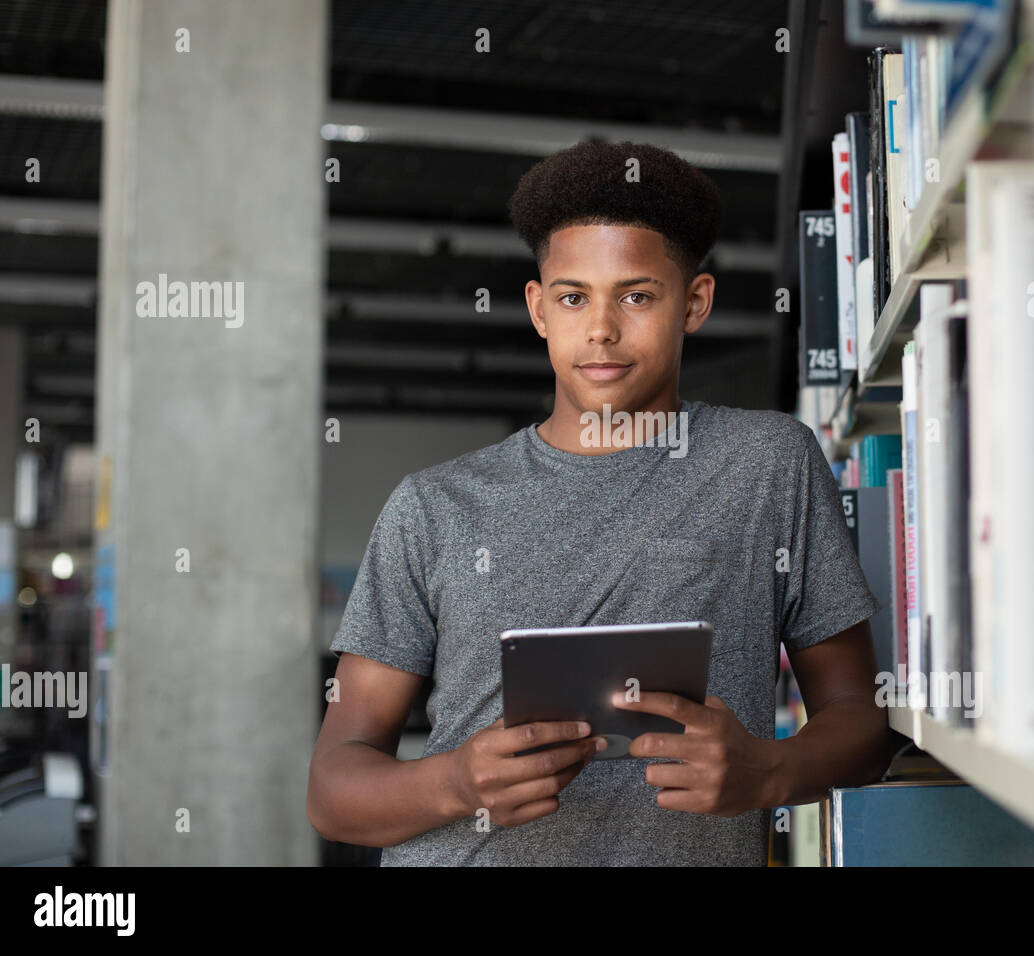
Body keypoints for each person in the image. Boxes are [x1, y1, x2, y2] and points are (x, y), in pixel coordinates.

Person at [306, 140, 889, 865]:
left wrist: (770, 771)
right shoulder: (433, 506)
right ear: (538, 308)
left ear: (695, 303)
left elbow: (864, 723)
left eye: (637, 295)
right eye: (573, 296)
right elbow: (333, 791)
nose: (601, 328)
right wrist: (456, 782)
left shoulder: (768, 463)